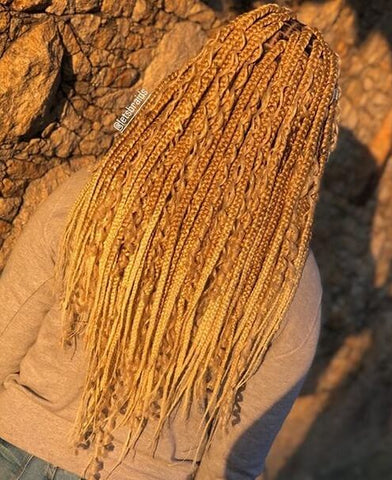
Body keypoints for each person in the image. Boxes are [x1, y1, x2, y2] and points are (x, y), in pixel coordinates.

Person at [0, 3, 340, 480]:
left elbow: (8, 328)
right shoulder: (288, 280)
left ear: (200, 83)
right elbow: (235, 458)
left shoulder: (97, 195)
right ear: (308, 138)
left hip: (16, 448)